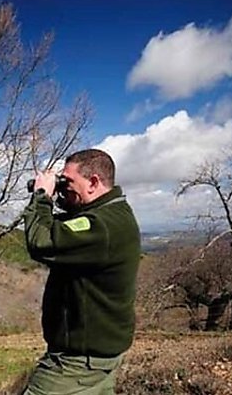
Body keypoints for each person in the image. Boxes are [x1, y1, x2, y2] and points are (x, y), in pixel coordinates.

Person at [21, 148, 141, 395]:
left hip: (76, 365)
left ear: (93, 182)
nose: (64, 187)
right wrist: (61, 195)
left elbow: (42, 242)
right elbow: (66, 227)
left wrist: (42, 195)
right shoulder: (112, 214)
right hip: (98, 358)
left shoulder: (102, 225)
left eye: (69, 181)